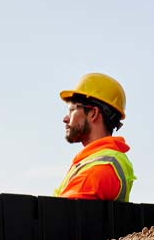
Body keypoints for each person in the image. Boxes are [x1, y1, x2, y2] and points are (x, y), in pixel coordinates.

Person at [55, 72, 136, 201]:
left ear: (93, 113)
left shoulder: (100, 168)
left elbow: (63, 211)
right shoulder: (95, 161)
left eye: (72, 110)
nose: (65, 119)